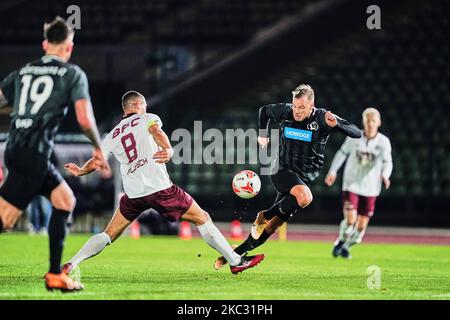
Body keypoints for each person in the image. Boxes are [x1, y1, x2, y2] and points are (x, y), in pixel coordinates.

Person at [62, 91, 264, 285]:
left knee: (108, 235)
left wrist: (80, 171)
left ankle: (72, 263)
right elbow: (156, 131)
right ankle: (236, 262)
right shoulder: (147, 117)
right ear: (138, 105)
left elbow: (97, 160)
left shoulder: (113, 134)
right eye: (144, 105)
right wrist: (168, 148)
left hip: (133, 195)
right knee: (202, 218)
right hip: (159, 189)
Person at [0, 17, 108, 291]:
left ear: (45, 44)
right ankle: (54, 274)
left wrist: (21, 114)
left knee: (64, 200)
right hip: (33, 153)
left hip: (17, 148)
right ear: (69, 48)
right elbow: (84, 119)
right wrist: (97, 146)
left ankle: (54, 274)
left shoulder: (23, 71)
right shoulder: (72, 74)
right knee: (5, 220)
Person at [214, 84, 362, 268]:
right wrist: (263, 135)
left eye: (302, 107)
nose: (297, 111)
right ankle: (264, 215)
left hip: (303, 178)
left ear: (312, 105)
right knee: (305, 197)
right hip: (282, 171)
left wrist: (337, 124)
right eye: (295, 106)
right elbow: (264, 112)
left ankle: (233, 256)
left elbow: (357, 133)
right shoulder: (285, 111)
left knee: (271, 228)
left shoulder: (323, 117)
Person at [325, 107, 392, 258]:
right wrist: (333, 171)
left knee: (361, 226)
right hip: (352, 183)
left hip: (371, 187)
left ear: (379, 122)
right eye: (367, 120)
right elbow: (342, 152)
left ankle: (346, 247)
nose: (370, 124)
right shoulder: (354, 136)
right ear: (364, 122)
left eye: (373, 121)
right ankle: (341, 241)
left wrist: (385, 175)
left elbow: (388, 162)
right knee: (350, 220)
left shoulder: (383, 142)